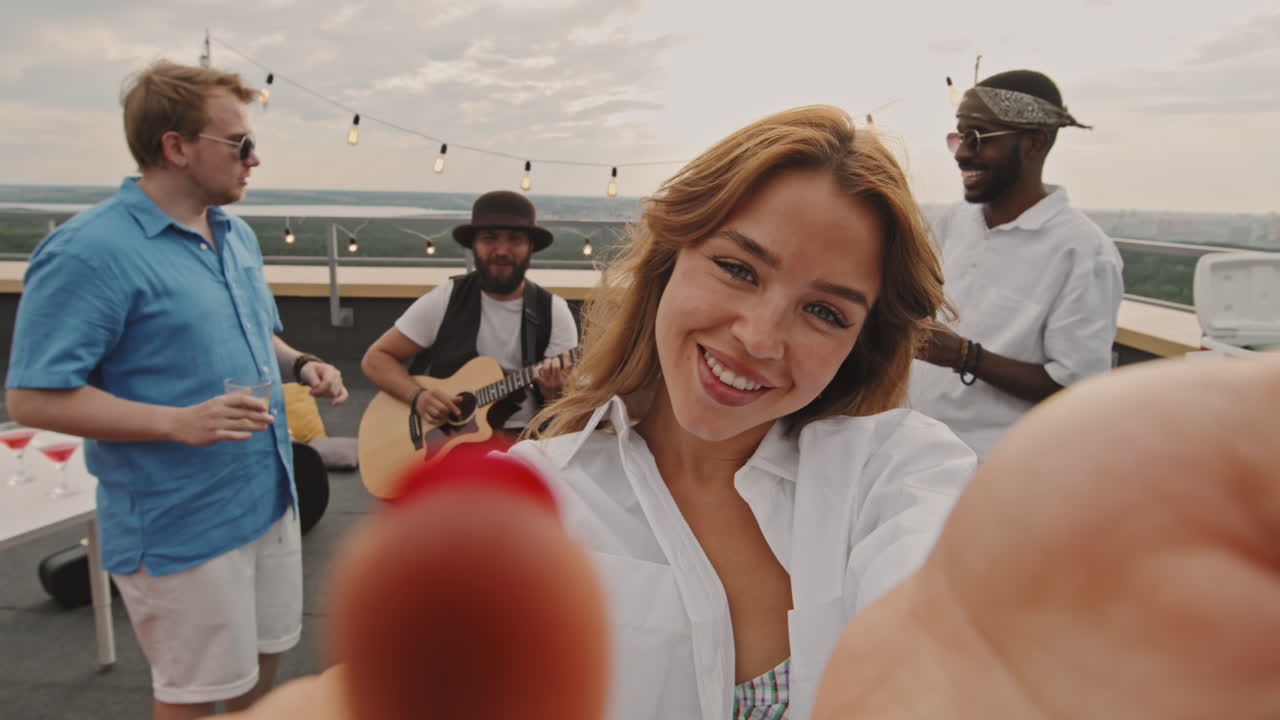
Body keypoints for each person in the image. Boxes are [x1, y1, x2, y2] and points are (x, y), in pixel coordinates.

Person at [503, 105, 976, 719]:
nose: (759, 339)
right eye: (737, 269)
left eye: (825, 312)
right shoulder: (535, 498)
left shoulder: (894, 476)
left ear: (859, 344)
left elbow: (949, 622)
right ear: (672, 255)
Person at [5, 59, 348, 720]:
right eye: (239, 143)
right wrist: (176, 423)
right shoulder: (89, 253)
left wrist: (301, 362)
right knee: (191, 696)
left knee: (263, 661)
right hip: (181, 521)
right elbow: (34, 398)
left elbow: (253, 336)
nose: (255, 158)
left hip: (268, 494)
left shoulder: (235, 235)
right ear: (176, 146)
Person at [907, 69, 1124, 459]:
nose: (961, 153)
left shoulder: (1081, 251)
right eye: (958, 136)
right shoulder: (956, 222)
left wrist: (964, 356)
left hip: (995, 467)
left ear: (1033, 144)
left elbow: (1078, 391)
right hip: (914, 450)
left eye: (977, 137)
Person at [361, 190, 578, 437]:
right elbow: (376, 358)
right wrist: (418, 397)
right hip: (445, 438)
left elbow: (566, 409)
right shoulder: (447, 298)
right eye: (490, 238)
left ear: (530, 249)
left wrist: (555, 393)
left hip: (524, 440)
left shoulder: (553, 311)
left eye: (515, 239)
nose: (502, 251)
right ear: (474, 246)